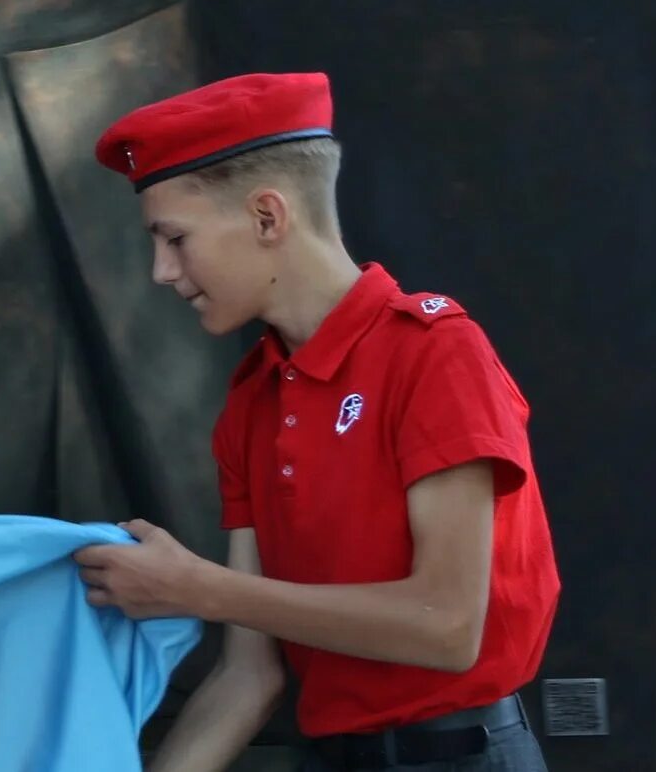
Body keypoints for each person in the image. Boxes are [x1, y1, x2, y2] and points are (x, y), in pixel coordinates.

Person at [73, 72, 558, 772]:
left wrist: (196, 588)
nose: (161, 270)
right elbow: (250, 676)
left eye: (174, 239)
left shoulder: (435, 354)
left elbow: (448, 627)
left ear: (268, 217)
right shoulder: (252, 404)